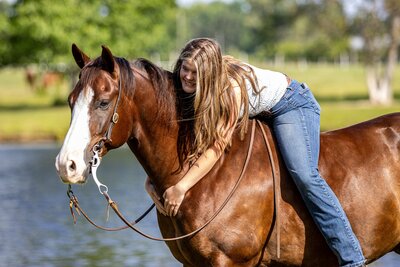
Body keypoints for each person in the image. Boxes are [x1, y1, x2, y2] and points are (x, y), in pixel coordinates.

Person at [145, 38, 366, 267]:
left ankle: (352, 258)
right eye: (185, 68)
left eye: (195, 72)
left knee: (305, 175)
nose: (188, 77)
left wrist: (180, 188)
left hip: (290, 102)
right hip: (256, 108)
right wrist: (154, 181)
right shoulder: (186, 86)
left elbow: (216, 146)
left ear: (209, 74)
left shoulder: (229, 92)